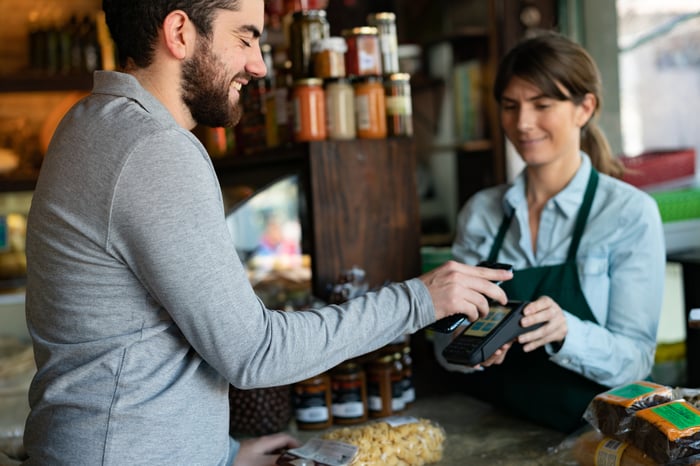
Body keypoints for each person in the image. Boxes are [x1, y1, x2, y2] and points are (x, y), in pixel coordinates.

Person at [21, 1, 514, 465]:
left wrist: (225, 452)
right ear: (179, 33)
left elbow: (133, 345)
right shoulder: (154, 148)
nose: (258, 65)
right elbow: (255, 352)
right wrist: (419, 300)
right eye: (245, 37)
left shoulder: (89, 122)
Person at [433, 31, 666, 433]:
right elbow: (442, 344)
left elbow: (636, 360)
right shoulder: (481, 214)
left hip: (594, 439)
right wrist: (469, 348)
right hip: (497, 432)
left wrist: (567, 332)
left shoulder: (628, 213)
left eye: (541, 105)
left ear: (584, 108)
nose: (522, 123)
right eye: (510, 106)